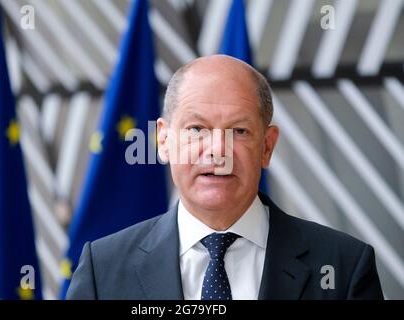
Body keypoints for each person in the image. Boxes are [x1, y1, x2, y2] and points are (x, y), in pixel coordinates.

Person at [67, 55, 383, 300]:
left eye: (239, 131)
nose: (218, 151)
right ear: (164, 141)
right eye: (196, 129)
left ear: (267, 146)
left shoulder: (344, 267)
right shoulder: (103, 270)